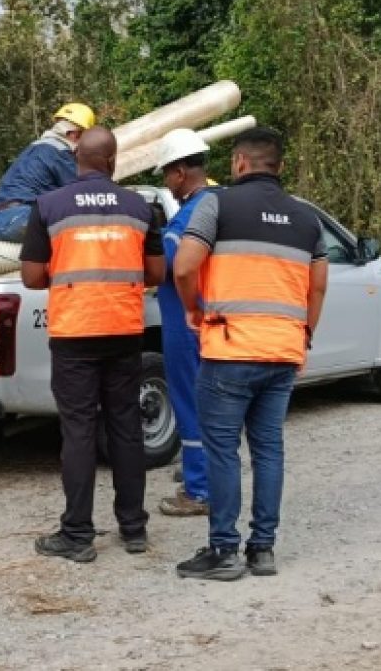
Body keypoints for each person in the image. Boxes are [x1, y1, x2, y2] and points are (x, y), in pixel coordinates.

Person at [173, 127, 328, 580]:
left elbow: (184, 266)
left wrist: (193, 310)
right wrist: (305, 336)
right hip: (282, 351)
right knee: (269, 450)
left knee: (223, 451)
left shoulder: (215, 204)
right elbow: (317, 286)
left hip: (229, 348)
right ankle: (262, 550)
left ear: (239, 163)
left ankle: (223, 551)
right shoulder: (306, 219)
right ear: (278, 166)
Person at [20, 127, 165, 561]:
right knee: (125, 427)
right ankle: (134, 528)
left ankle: (78, 535)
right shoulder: (140, 207)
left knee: (79, 430)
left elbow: (30, 277)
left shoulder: (49, 206)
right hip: (123, 331)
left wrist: (65, 273)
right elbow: (155, 274)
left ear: (77, 160)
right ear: (114, 161)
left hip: (74, 333)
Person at [153, 128, 214, 517]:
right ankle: (206, 474)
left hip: (187, 323)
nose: (167, 185)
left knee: (190, 403)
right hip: (213, 323)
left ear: (179, 172)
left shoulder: (190, 215)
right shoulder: (217, 204)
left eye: (166, 176)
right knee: (209, 404)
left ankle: (199, 490)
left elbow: (174, 265)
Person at [0, 102, 96, 242]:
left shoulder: (36, 148)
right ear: (75, 134)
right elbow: (85, 196)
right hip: (19, 219)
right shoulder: (60, 153)